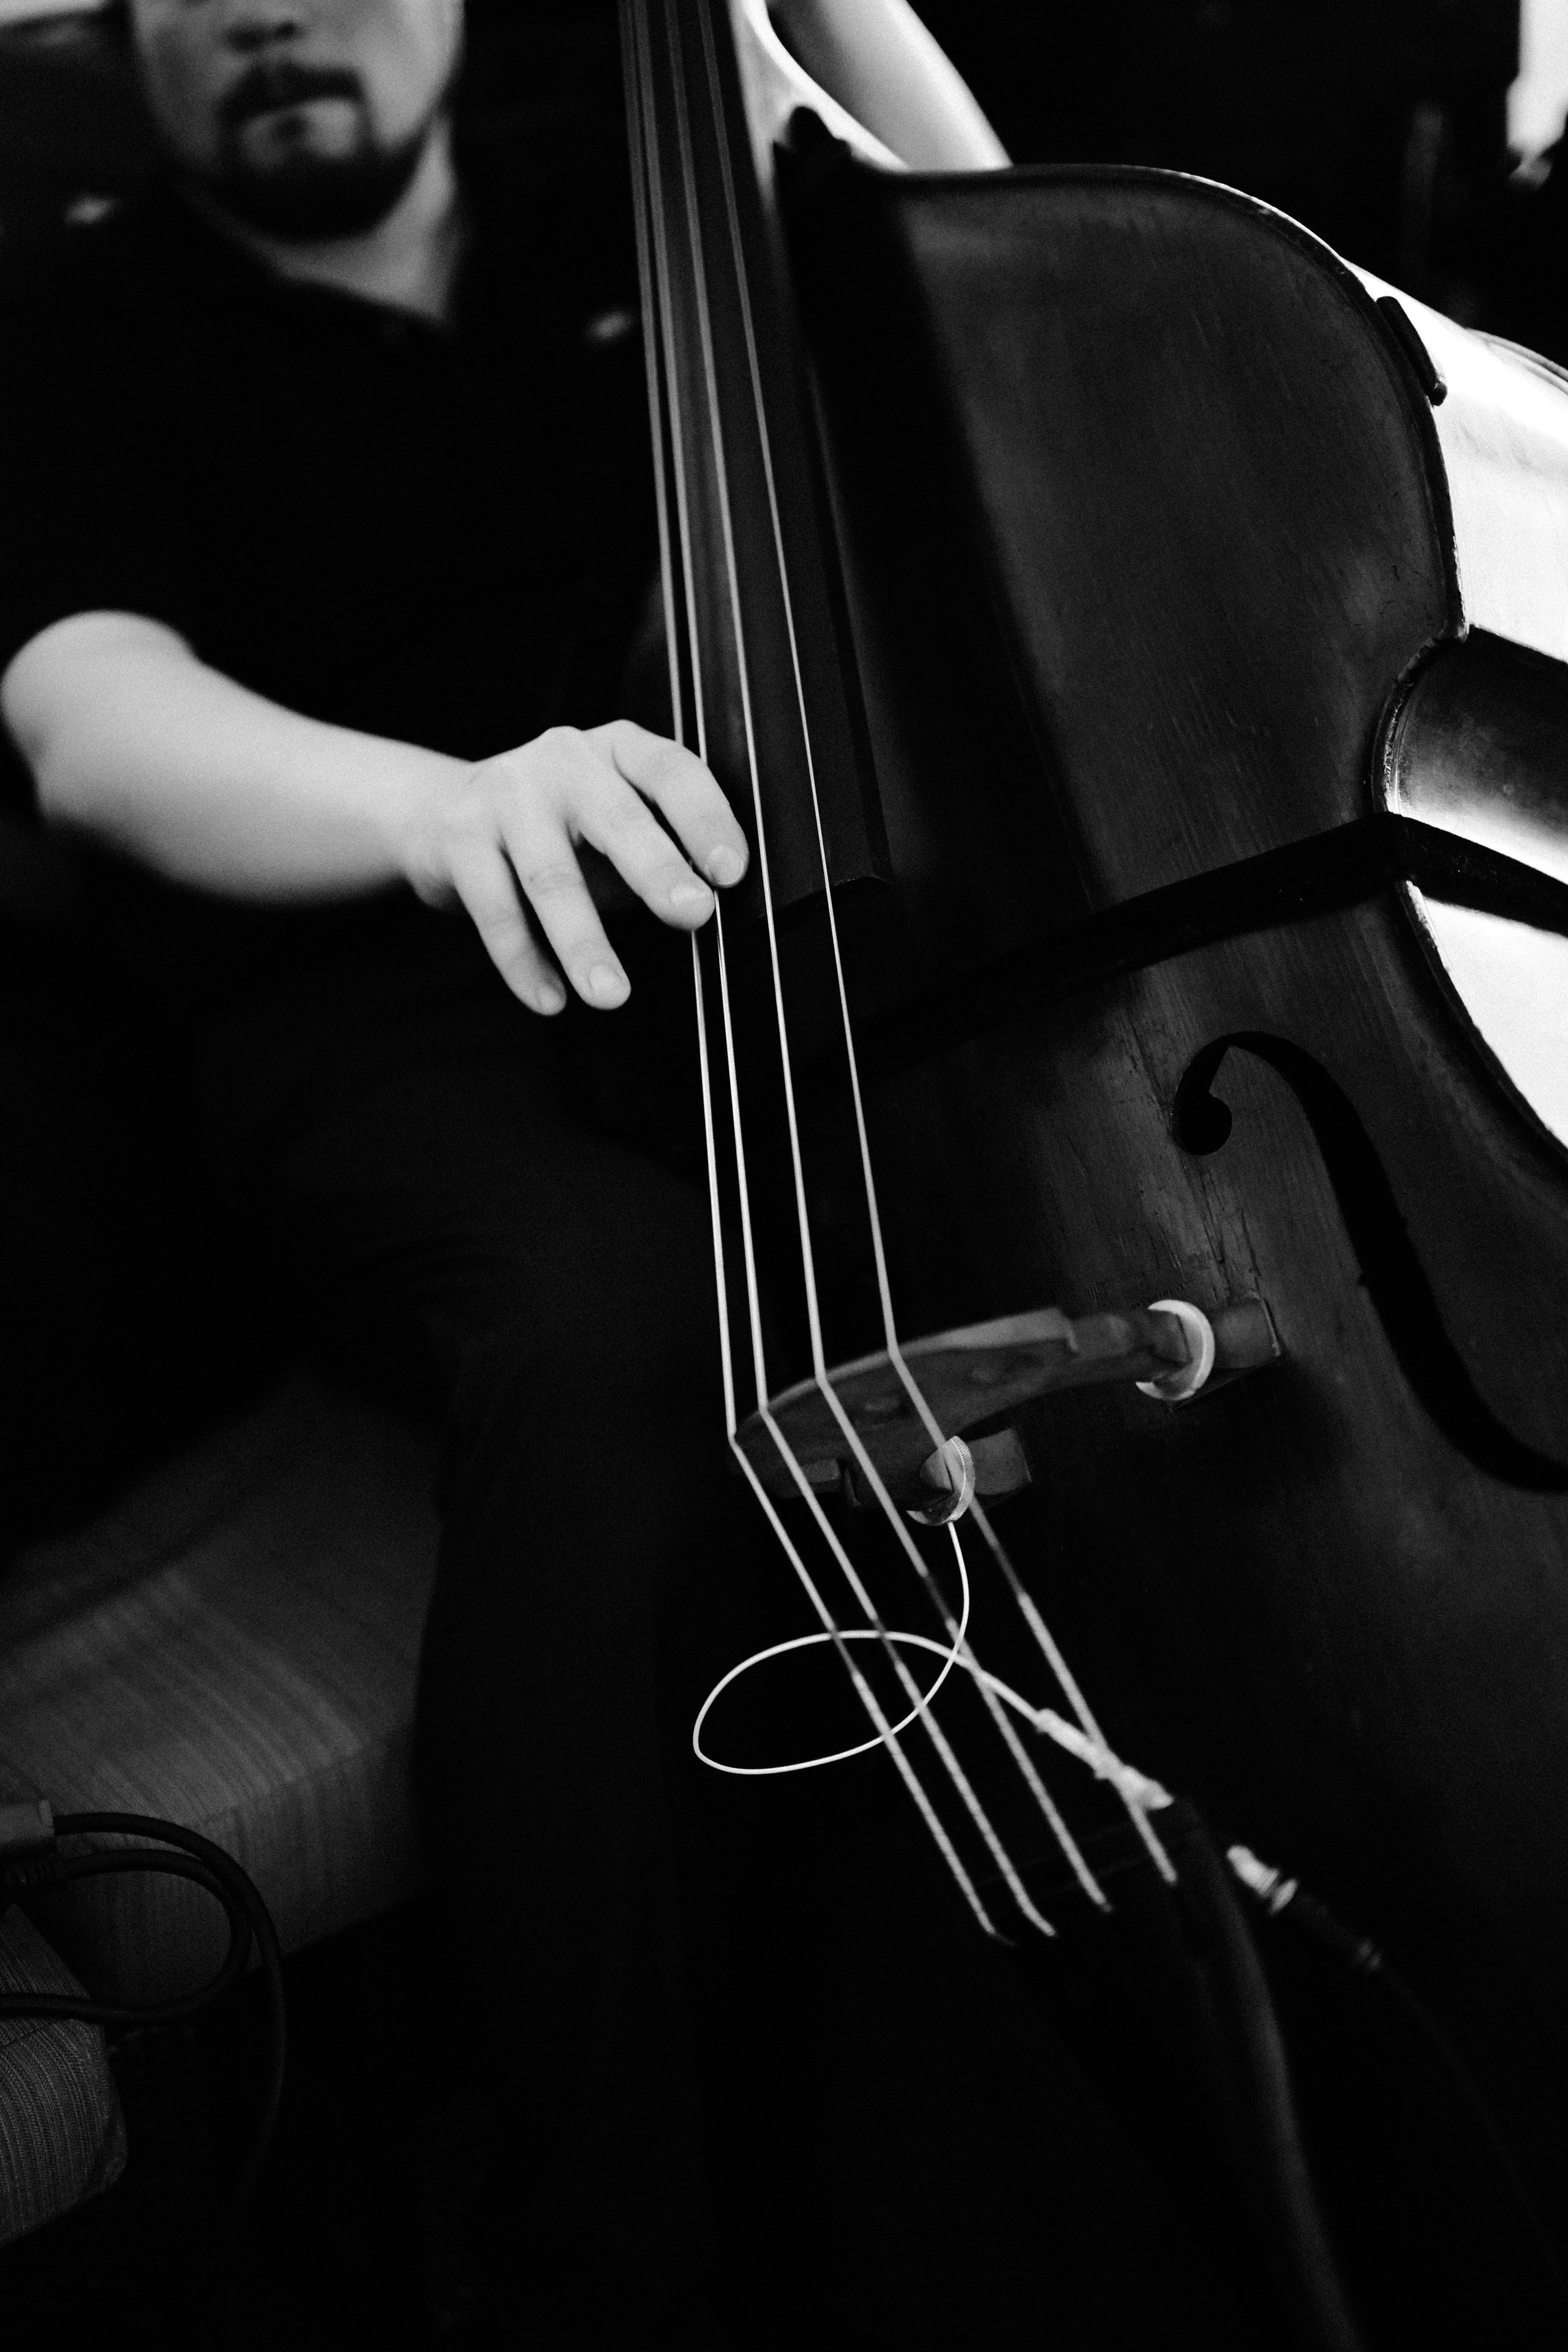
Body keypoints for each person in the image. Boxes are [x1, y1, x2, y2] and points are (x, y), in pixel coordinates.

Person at [0, 2, 1004, 2342]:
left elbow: (1003, 278)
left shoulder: (628, 181)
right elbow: (91, 719)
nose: (268, 11)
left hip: (742, 931)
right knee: (609, 1318)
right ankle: (605, 2257)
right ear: (129, 37)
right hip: (356, 1013)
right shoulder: (76, 312)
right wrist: (441, 810)